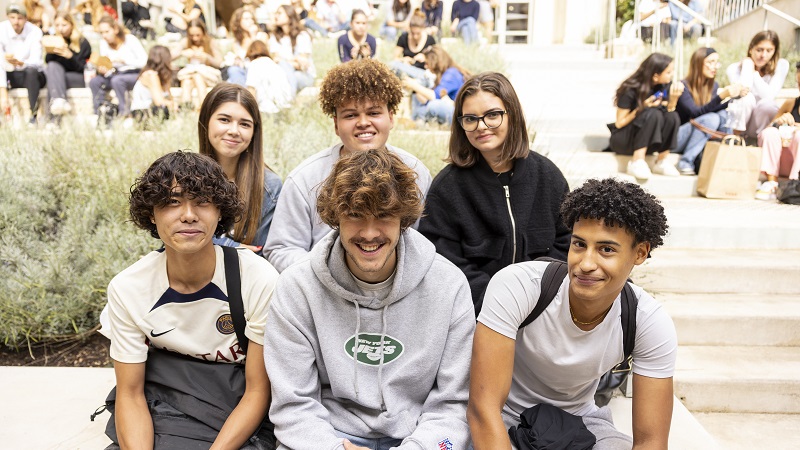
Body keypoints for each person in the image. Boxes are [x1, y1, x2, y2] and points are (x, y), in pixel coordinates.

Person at [263, 148, 474, 450]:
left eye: (385, 215)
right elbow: (292, 404)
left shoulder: (448, 285)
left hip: (417, 436)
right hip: (327, 438)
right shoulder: (297, 287)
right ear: (335, 218)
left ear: (404, 219)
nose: (370, 233)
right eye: (355, 216)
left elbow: (454, 405)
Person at [468, 177, 677, 450]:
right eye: (579, 244)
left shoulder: (647, 321)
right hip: (503, 417)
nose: (586, 263)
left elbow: (651, 441)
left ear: (640, 253)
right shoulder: (519, 285)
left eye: (606, 249)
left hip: (580, 421)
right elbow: (483, 409)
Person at [101, 151, 278, 449]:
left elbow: (258, 391)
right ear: (150, 214)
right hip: (163, 415)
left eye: (202, 201)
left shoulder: (258, 278)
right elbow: (130, 394)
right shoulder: (128, 288)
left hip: (233, 419)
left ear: (220, 211)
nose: (188, 214)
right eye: (172, 202)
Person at [419, 72, 571, 315]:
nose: (481, 126)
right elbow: (443, 262)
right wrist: (501, 306)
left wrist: (538, 297)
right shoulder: (448, 188)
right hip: (479, 315)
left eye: (492, 115)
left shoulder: (547, 176)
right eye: (470, 119)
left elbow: (568, 243)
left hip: (546, 310)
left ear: (512, 115)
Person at [263, 58, 432, 273]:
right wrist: (324, 276)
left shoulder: (415, 172)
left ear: (391, 117)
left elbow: (424, 242)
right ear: (335, 124)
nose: (363, 122)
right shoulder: (304, 179)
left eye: (373, 112)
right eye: (350, 115)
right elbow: (282, 248)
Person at [199, 82, 283, 254]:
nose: (234, 131)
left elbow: (259, 254)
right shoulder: (185, 177)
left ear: (254, 133)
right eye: (224, 120)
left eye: (244, 124)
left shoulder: (268, 187)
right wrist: (230, 246)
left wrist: (206, 243)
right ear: (206, 121)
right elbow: (172, 239)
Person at [609, 52, 683, 180]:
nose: (672, 76)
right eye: (668, 72)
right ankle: (637, 161)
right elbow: (619, 123)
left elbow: (668, 112)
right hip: (624, 139)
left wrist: (674, 100)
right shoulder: (630, 88)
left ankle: (661, 161)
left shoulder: (664, 86)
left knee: (672, 116)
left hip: (649, 139)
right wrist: (641, 108)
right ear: (655, 76)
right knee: (652, 113)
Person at [673, 47, 742, 175]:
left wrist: (733, 99)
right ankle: (685, 162)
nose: (715, 66)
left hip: (697, 135)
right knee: (711, 118)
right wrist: (722, 96)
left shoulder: (713, 86)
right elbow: (696, 113)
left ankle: (727, 160)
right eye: (711, 62)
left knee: (723, 115)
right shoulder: (683, 86)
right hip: (677, 138)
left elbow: (711, 109)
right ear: (698, 63)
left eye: (717, 62)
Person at [726, 30, 790, 140]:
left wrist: (754, 73)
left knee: (767, 104)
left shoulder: (781, 65)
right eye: (759, 50)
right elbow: (743, 91)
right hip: (741, 122)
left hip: (763, 123)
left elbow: (769, 96)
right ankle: (736, 137)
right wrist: (748, 66)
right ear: (751, 49)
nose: (763, 55)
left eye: (769, 50)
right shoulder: (734, 68)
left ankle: (762, 140)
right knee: (747, 98)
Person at [756, 61, 800, 200]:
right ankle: (771, 183)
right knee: (769, 132)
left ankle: (795, 185)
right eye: (799, 83)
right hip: (784, 161)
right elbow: (768, 129)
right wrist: (779, 122)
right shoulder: (791, 103)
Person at [88, 16, 147, 119]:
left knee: (117, 80)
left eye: (107, 31)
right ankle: (100, 112)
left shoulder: (130, 40)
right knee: (95, 81)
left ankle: (124, 112)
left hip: (133, 74)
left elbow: (144, 62)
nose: (104, 35)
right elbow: (108, 64)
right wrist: (103, 69)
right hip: (114, 74)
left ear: (115, 29)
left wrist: (124, 60)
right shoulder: (103, 43)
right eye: (101, 33)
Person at [0, 4, 45, 125]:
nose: (16, 22)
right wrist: (3, 92)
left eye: (19, 18)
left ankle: (33, 115)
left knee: (31, 72)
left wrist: (21, 63)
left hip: (30, 74)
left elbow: (37, 61)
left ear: (25, 18)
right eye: (12, 17)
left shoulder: (35, 31)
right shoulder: (2, 29)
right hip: (8, 74)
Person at [402, 45, 469, 125]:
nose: (425, 66)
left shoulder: (451, 74)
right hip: (457, 112)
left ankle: (419, 121)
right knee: (423, 108)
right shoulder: (447, 74)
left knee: (434, 106)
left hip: (461, 115)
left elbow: (435, 96)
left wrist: (414, 85)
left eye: (427, 63)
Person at [44, 11, 90, 118]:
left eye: (64, 25)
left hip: (77, 77)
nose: (60, 28)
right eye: (57, 25)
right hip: (59, 77)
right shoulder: (54, 40)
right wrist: (53, 49)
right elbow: (49, 61)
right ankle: (59, 101)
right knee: (52, 68)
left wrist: (70, 57)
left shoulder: (82, 42)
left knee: (53, 80)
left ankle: (52, 121)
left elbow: (82, 68)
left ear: (71, 24)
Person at [173, 19, 222, 110]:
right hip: (190, 76)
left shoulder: (210, 42)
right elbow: (170, 56)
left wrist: (207, 57)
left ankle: (203, 107)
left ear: (203, 32)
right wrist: (182, 53)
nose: (195, 38)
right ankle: (186, 108)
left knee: (197, 76)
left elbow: (219, 62)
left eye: (198, 35)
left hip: (207, 75)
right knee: (187, 81)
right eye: (192, 35)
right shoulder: (186, 41)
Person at [269, 4, 315, 95]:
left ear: (289, 16)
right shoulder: (275, 37)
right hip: (282, 73)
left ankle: (290, 97)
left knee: (291, 74)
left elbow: (302, 64)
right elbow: (275, 59)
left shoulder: (302, 36)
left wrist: (284, 61)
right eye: (276, 13)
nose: (276, 16)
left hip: (304, 75)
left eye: (280, 13)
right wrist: (293, 60)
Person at [244, 40, 292, 114]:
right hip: (283, 109)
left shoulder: (254, 65)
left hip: (266, 110)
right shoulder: (276, 66)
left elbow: (251, 92)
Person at [389, 9, 435, 85]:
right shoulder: (403, 38)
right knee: (393, 65)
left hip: (423, 73)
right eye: (413, 33)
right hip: (406, 70)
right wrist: (404, 60)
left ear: (423, 29)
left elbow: (436, 62)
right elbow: (395, 58)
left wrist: (425, 58)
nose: (415, 36)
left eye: (418, 33)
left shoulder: (430, 40)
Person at [225, 6, 268, 86]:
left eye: (251, 19)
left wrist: (253, 36)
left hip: (259, 70)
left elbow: (259, 54)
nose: (250, 21)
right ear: (238, 22)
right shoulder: (236, 42)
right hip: (243, 71)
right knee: (233, 70)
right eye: (246, 19)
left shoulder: (261, 36)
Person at [129, 45, 172, 123]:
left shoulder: (161, 76)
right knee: (163, 109)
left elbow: (169, 97)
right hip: (142, 113)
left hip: (152, 111)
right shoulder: (150, 75)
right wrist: (174, 104)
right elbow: (159, 102)